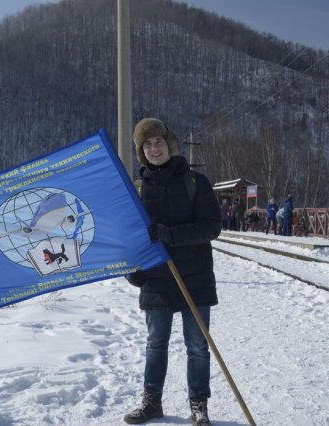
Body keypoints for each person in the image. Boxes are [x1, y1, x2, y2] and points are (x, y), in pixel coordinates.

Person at [124, 118, 221, 426]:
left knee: (197, 345)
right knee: (156, 344)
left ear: (170, 145)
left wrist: (171, 235)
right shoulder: (136, 190)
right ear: (142, 152)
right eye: (147, 145)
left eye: (159, 142)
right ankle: (152, 402)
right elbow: (130, 238)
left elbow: (211, 227)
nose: (154, 149)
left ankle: (199, 406)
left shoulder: (195, 182)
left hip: (195, 277)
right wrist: (133, 271)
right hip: (156, 279)